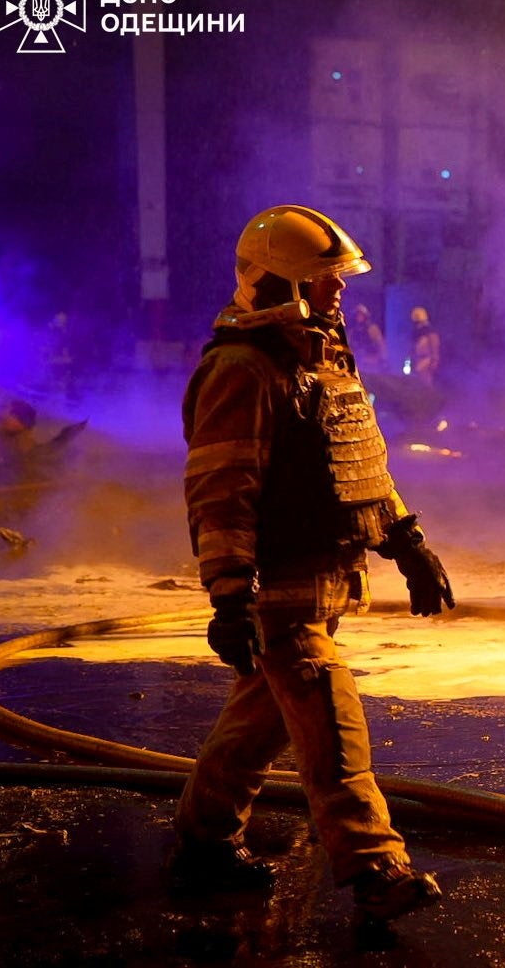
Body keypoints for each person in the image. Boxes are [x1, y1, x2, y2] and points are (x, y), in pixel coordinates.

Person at [175, 204, 455, 921]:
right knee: (331, 718)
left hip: (325, 578)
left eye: (337, 276)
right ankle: (373, 864)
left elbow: (358, 465)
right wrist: (232, 592)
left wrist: (407, 541)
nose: (338, 290)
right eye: (324, 277)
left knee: (258, 723)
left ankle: (203, 842)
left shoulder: (320, 360)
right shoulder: (243, 368)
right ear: (278, 282)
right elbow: (222, 491)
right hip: (280, 586)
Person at [349, 303, 388, 377]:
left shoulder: (372, 329)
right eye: (357, 315)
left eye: (361, 315)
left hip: (372, 361)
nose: (359, 317)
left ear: (365, 316)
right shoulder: (353, 331)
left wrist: (383, 359)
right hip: (358, 362)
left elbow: (380, 344)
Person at [409, 306, 440, 387]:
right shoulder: (417, 334)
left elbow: (435, 346)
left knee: (425, 382)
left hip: (427, 359)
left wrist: (434, 360)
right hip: (418, 359)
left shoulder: (430, 333)